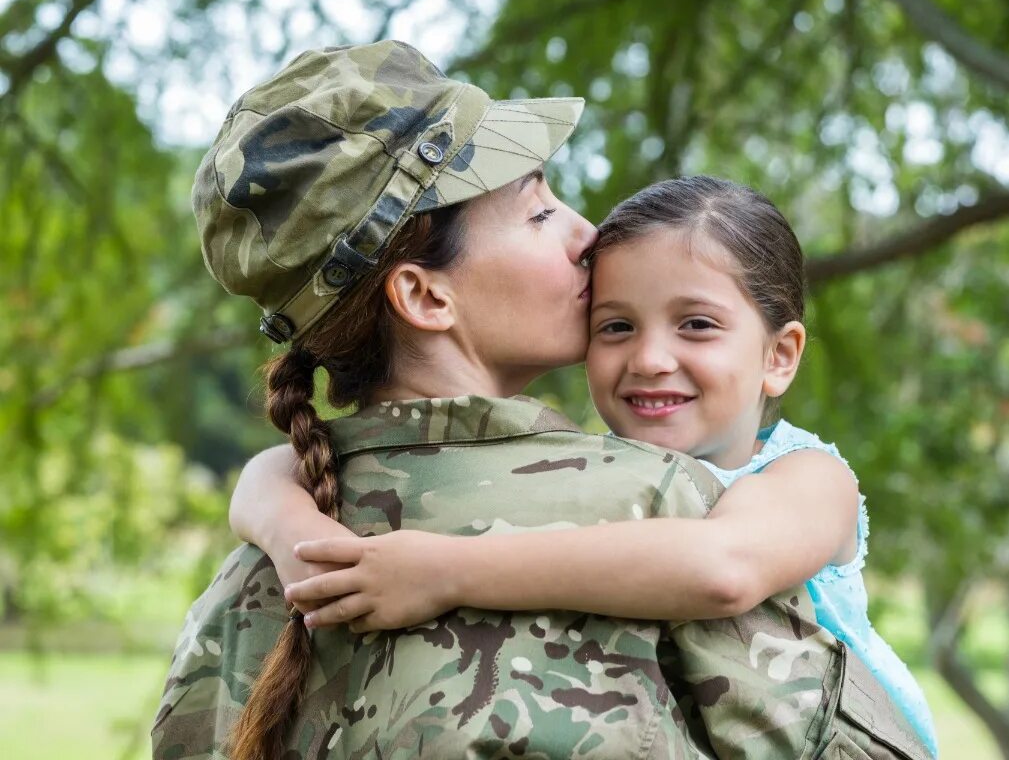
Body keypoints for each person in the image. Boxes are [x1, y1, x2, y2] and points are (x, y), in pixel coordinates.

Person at [152, 40, 930, 760]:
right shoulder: (657, 504)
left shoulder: (249, 583)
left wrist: (292, 536)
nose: (587, 234)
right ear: (425, 296)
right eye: (538, 210)